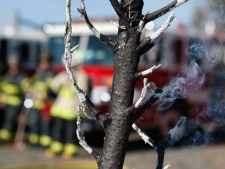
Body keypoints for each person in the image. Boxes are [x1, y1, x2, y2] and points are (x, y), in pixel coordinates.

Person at [45, 50, 89, 159]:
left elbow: (83, 90)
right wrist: (58, 85)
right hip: (60, 109)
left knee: (70, 132)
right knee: (57, 130)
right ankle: (56, 148)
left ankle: (70, 150)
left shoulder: (81, 76)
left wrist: (71, 84)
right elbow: (52, 88)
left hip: (72, 110)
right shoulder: (62, 75)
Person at [27, 51, 56, 147]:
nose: (43, 64)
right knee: (34, 122)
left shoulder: (52, 75)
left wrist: (41, 95)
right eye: (41, 62)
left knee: (45, 125)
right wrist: (29, 90)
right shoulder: (38, 73)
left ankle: (45, 143)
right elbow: (32, 84)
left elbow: (51, 90)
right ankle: (34, 141)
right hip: (35, 103)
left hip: (45, 104)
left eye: (45, 62)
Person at [0, 56, 29, 142]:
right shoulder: (6, 76)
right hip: (4, 102)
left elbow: (26, 88)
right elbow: (2, 88)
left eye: (15, 66)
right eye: (12, 66)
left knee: (9, 119)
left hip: (15, 103)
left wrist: (27, 91)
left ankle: (5, 137)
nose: (13, 68)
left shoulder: (22, 77)